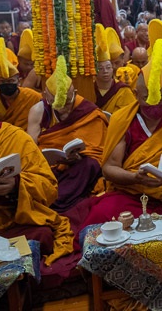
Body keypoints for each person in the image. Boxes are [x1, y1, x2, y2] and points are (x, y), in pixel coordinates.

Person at [81, 39, 162, 229]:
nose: (154, 106)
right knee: (100, 215)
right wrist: (135, 178)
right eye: (147, 99)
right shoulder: (123, 120)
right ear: (135, 94)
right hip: (133, 194)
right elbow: (109, 169)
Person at [0, 59, 74, 266]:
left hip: (10, 219)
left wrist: (16, 187)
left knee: (42, 236)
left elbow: (49, 186)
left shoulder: (15, 138)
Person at [27, 56, 108, 212]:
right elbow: (31, 147)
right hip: (49, 167)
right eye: (58, 105)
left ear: (75, 93)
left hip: (80, 167)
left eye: (67, 103)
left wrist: (81, 155)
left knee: (89, 165)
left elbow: (101, 150)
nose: (63, 109)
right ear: (46, 95)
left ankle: (58, 203)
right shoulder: (38, 111)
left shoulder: (88, 111)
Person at [0, 38, 40, 131]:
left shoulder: (32, 96)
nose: (7, 85)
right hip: (3, 138)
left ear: (18, 81)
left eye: (11, 81)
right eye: (2, 82)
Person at [94, 25, 137, 115]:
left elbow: (130, 114)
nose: (105, 71)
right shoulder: (90, 89)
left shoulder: (123, 90)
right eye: (100, 68)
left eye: (108, 67)